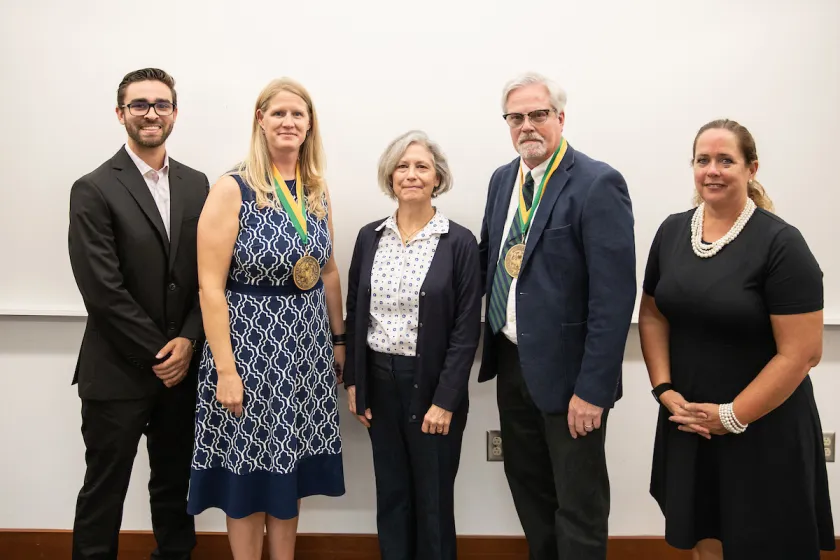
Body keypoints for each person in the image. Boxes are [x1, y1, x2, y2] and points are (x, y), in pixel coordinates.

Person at [639, 119, 834, 560]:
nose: (713, 170)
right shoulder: (672, 232)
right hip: (690, 420)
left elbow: (803, 353)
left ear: (751, 168)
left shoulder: (782, 243)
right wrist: (665, 391)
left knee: (764, 542)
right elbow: (652, 313)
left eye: (726, 160)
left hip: (762, 425)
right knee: (703, 537)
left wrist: (730, 416)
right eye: (702, 160)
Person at [477, 72, 636, 560]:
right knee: (530, 492)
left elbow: (613, 301)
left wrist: (592, 390)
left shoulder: (596, 182)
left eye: (538, 115)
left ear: (560, 118)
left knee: (579, 503)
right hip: (512, 364)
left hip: (571, 379)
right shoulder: (504, 179)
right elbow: (493, 259)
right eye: (516, 117)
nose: (527, 126)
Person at [187, 77, 345, 559]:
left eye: (298, 114)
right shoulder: (232, 187)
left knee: (289, 467)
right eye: (278, 113)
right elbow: (210, 287)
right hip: (250, 351)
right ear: (260, 120)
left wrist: (338, 340)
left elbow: (329, 269)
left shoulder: (316, 189)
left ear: (309, 124)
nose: (288, 122)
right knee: (248, 472)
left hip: (305, 349)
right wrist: (227, 370)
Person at [68, 68, 208, 560]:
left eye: (161, 104)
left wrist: (188, 341)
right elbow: (101, 290)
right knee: (104, 492)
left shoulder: (198, 184)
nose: (152, 113)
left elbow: (205, 279)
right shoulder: (93, 188)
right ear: (121, 113)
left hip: (182, 372)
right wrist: (159, 351)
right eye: (140, 104)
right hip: (117, 373)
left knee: (175, 490)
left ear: (174, 112)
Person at [343, 130, 481, 560]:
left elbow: (465, 330)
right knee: (393, 493)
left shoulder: (458, 242)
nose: (411, 174)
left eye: (422, 166)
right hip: (380, 384)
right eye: (402, 166)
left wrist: (446, 400)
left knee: (433, 498)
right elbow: (355, 308)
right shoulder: (370, 237)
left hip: (433, 386)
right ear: (390, 176)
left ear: (437, 178)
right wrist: (355, 382)